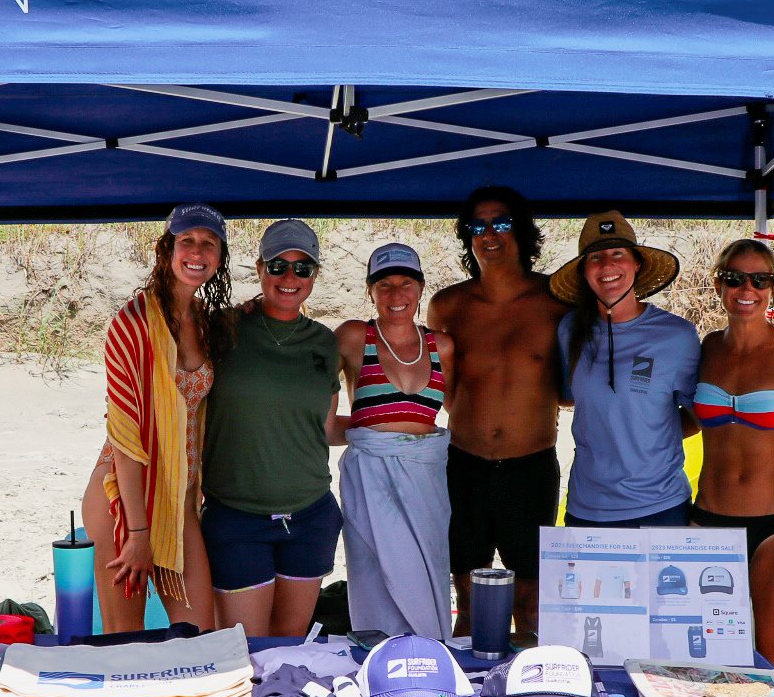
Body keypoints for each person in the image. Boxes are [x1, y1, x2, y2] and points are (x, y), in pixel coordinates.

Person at [82, 203, 232, 632]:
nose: (196, 252)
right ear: (166, 249)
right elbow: (126, 439)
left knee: (200, 639)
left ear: (219, 257)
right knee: (125, 643)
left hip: (180, 502)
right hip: (124, 501)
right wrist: (139, 533)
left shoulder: (205, 322)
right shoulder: (131, 325)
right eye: (186, 241)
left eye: (208, 244)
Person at [428, 185, 568, 638]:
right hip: (464, 464)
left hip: (531, 468)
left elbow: (570, 388)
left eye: (502, 222)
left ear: (523, 231)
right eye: (479, 225)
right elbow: (443, 392)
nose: (490, 233)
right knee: (468, 609)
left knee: (529, 612)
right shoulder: (448, 305)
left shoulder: (557, 301)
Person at [690, 238, 774, 681]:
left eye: (759, 279)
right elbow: (682, 420)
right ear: (718, 284)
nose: (746, 288)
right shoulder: (708, 349)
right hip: (706, 523)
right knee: (705, 661)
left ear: (773, 287)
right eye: (734, 278)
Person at [201, 219, 344, 638]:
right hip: (237, 518)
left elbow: (327, 425)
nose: (289, 277)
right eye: (278, 265)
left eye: (303, 269)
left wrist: (395, 430)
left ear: (315, 276)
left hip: (311, 517)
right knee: (247, 655)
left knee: (290, 654)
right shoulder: (221, 327)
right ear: (260, 268)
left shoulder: (324, 342)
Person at [549, 211, 701, 526]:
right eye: (595, 258)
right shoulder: (569, 330)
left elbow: (700, 417)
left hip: (661, 506)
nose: (607, 266)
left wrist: (649, 441)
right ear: (584, 271)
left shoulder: (676, 336)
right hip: (586, 508)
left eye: (618, 253)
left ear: (637, 263)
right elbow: (572, 397)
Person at [336, 243, 457, 638]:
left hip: (427, 479)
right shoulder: (354, 336)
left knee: (427, 571)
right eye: (383, 285)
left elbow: (451, 410)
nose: (395, 295)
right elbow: (310, 394)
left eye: (406, 283)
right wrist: (369, 437)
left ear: (421, 289)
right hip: (370, 476)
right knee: (374, 575)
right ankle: (377, 663)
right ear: (370, 291)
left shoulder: (442, 345)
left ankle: (430, 657)